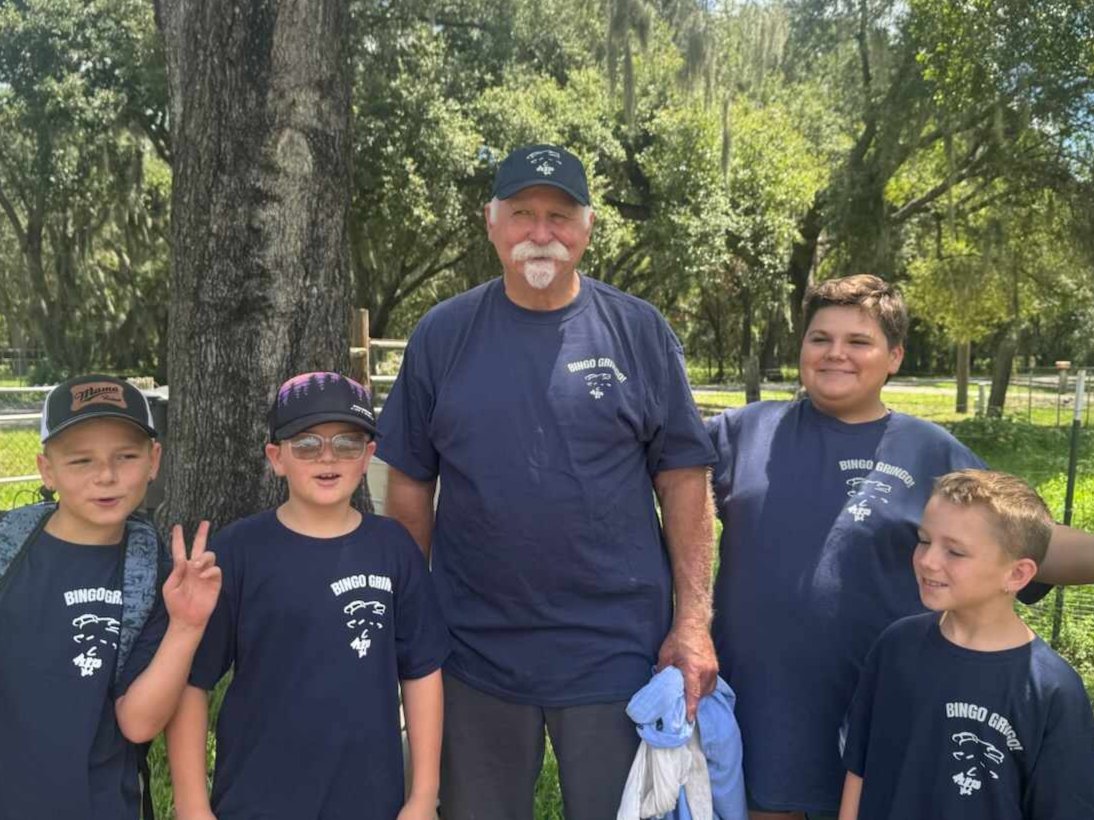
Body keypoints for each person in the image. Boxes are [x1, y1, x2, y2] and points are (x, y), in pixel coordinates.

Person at [377, 143, 718, 820]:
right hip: (475, 649)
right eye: (523, 214)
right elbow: (410, 488)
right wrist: (406, 621)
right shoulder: (442, 336)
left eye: (559, 216)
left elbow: (684, 480)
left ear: (588, 226)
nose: (541, 233)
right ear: (492, 223)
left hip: (616, 650)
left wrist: (693, 623)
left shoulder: (639, 331)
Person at [706, 274, 1094, 820]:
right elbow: (650, 486)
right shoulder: (745, 432)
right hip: (770, 706)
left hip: (895, 698)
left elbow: (1030, 544)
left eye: (858, 341)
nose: (835, 353)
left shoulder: (929, 451)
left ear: (895, 356)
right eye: (820, 338)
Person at [166, 372, 449, 820]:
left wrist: (422, 797)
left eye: (347, 442)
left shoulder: (393, 548)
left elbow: (422, 673)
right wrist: (192, 807)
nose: (328, 457)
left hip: (371, 801)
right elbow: (191, 682)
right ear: (276, 458)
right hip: (257, 801)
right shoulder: (238, 552)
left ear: (368, 456)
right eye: (307, 444)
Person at [0, 374, 221, 820]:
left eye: (126, 456)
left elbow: (138, 723)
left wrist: (186, 626)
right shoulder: (8, 549)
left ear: (154, 459)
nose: (106, 476)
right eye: (81, 461)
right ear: (47, 469)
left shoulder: (152, 572)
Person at [838, 469, 1094, 819]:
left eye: (955, 552)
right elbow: (859, 766)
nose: (927, 560)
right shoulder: (895, 647)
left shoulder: (1051, 689)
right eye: (924, 540)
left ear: (1017, 574)